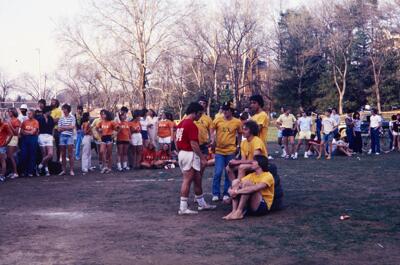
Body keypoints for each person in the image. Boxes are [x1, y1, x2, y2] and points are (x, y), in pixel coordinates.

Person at [176, 102, 215, 215]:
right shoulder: (191, 124)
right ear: (195, 112)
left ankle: (202, 203)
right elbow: (194, 144)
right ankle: (183, 207)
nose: (200, 117)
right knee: (187, 180)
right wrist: (202, 158)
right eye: (199, 114)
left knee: (197, 178)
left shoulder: (181, 123)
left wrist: (180, 152)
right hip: (189, 153)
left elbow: (176, 140)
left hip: (183, 153)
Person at [223, 155, 277, 220]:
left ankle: (239, 212)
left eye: (254, 161)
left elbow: (255, 188)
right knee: (236, 181)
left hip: (262, 205)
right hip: (250, 204)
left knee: (247, 183)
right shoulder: (252, 175)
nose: (251, 163)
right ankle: (234, 211)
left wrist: (236, 192)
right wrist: (230, 190)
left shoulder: (268, 176)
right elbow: (238, 184)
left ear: (260, 164)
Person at [210, 101, 242, 202]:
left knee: (229, 172)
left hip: (231, 151)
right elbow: (211, 128)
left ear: (231, 111)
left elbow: (240, 133)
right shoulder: (218, 120)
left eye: (227, 110)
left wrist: (239, 145)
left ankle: (226, 193)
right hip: (219, 151)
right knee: (218, 172)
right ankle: (215, 193)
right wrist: (212, 139)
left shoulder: (237, 122)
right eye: (224, 110)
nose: (225, 112)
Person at [20, 109, 39, 177]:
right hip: (25, 140)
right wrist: (28, 132)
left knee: (32, 155)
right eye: (28, 113)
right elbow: (21, 131)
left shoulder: (35, 122)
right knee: (24, 155)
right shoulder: (24, 122)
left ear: (33, 114)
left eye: (30, 113)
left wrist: (26, 132)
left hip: (33, 139)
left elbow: (33, 132)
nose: (29, 115)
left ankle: (30, 172)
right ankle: (24, 171)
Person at [96, 110, 117, 174]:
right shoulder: (101, 122)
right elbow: (96, 128)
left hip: (109, 138)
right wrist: (99, 131)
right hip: (103, 138)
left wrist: (115, 134)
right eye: (101, 114)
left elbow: (118, 128)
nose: (103, 116)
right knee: (102, 151)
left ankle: (109, 168)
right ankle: (105, 166)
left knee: (109, 154)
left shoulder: (111, 122)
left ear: (107, 115)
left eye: (104, 114)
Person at [58, 104, 76, 176]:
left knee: (70, 154)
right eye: (63, 109)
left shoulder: (72, 117)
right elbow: (59, 129)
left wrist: (64, 128)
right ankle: (64, 170)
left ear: (68, 110)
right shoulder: (61, 118)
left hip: (69, 136)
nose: (64, 110)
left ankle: (71, 170)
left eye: (65, 109)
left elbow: (72, 127)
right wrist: (67, 127)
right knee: (63, 154)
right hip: (62, 136)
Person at [37, 106, 55, 176]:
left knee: (50, 154)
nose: (51, 112)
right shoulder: (39, 118)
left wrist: (52, 136)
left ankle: (39, 166)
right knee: (44, 154)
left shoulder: (51, 118)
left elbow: (53, 128)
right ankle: (46, 169)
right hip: (41, 136)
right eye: (50, 111)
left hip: (49, 137)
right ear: (47, 111)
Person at [6, 108, 21, 179]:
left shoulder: (16, 120)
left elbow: (16, 132)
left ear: (13, 112)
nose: (8, 113)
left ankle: (16, 172)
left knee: (11, 156)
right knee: (9, 156)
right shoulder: (9, 120)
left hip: (13, 139)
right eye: (8, 112)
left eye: (9, 112)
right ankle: (12, 172)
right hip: (8, 138)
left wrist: (10, 124)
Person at [0, 114, 13, 182]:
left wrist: (7, 142)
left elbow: (11, 134)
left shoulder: (5, 125)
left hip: (1, 146)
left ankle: (2, 176)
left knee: (2, 160)